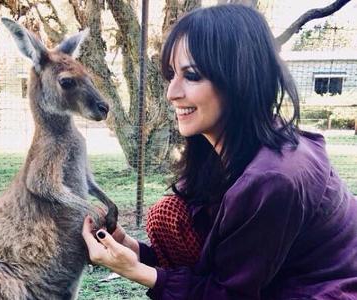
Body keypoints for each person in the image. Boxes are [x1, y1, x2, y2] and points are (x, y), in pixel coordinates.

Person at [82, 4, 357, 299]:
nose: (171, 93)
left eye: (192, 75)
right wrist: (129, 248)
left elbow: (228, 293)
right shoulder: (235, 146)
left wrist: (135, 271)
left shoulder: (274, 177)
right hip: (273, 281)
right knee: (168, 214)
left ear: (239, 77)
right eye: (172, 74)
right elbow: (224, 263)